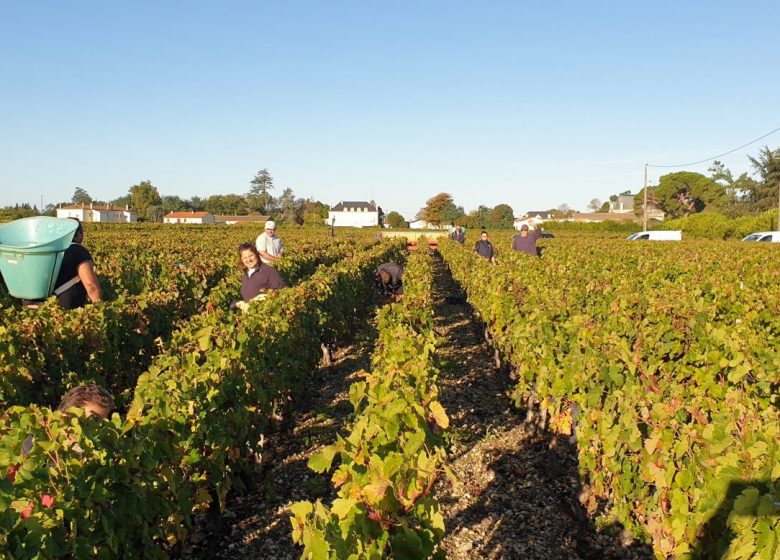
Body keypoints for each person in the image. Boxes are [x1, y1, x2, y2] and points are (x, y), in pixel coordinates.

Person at [23, 217, 101, 309]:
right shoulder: (78, 251)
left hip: (35, 309)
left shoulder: (44, 250)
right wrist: (100, 309)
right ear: (79, 234)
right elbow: (91, 285)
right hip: (65, 310)